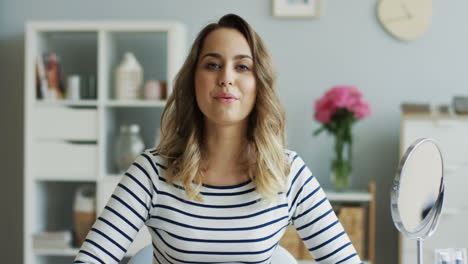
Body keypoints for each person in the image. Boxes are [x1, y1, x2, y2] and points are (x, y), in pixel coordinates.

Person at [74, 14, 362, 264]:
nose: (226, 77)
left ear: (259, 84)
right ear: (193, 79)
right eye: (212, 65)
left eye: (242, 67)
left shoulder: (288, 172)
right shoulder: (151, 172)